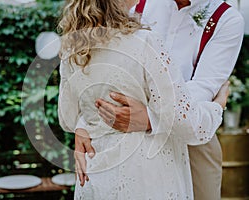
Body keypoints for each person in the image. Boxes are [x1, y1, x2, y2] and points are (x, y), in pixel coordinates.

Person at [58, 0, 229, 199]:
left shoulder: (71, 50)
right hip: (147, 175)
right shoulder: (146, 42)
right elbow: (186, 123)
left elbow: (67, 118)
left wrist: (88, 122)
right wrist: (218, 105)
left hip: (97, 173)